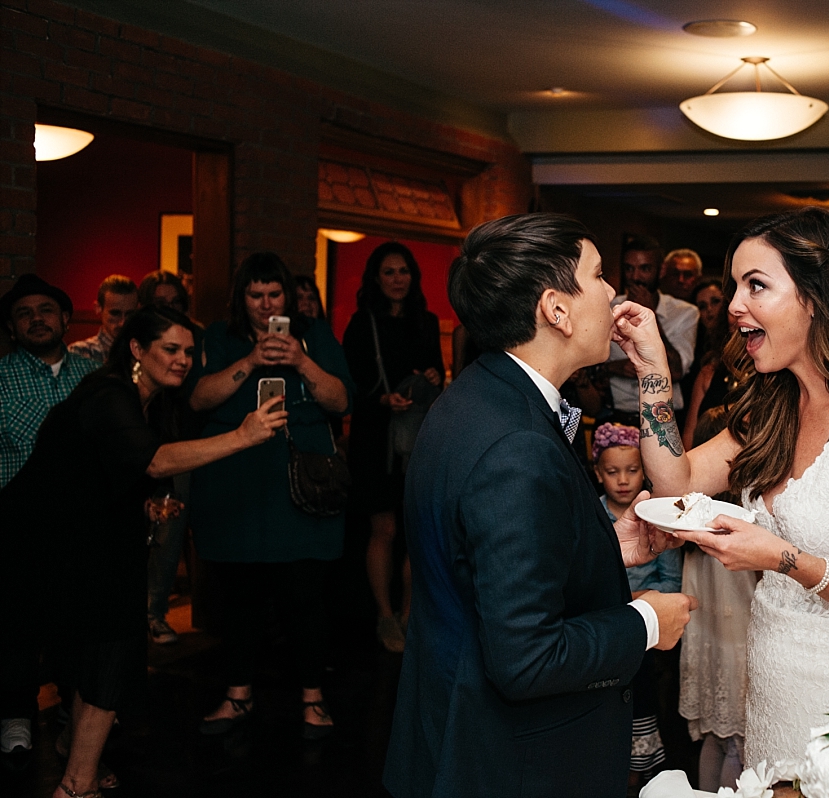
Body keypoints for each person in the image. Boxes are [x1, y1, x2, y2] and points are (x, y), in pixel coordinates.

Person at [613, 207, 829, 770]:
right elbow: (675, 480)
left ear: (815, 298)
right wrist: (654, 373)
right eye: (735, 286)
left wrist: (780, 558)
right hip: (772, 691)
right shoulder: (774, 409)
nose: (736, 305)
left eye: (757, 286)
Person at [383, 213, 696, 797]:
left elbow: (484, 562)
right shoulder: (517, 446)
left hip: (454, 732)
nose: (613, 293)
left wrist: (606, 548)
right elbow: (526, 657)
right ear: (556, 309)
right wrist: (648, 621)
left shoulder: (476, 394)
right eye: (600, 275)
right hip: (506, 762)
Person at [0, 305, 287, 798]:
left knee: (104, 652)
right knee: (105, 650)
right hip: (38, 542)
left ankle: (78, 764)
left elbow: (104, 467)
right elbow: (151, 461)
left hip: (84, 540)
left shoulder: (149, 400)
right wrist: (242, 436)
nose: (182, 360)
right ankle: (76, 784)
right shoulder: (109, 391)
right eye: (170, 349)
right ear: (136, 349)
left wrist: (147, 506)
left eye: (189, 351)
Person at [189, 252, 353, 739]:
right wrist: (251, 361)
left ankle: (313, 699)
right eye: (255, 295)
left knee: (303, 596)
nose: (265, 305)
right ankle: (237, 695)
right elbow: (199, 399)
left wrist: (301, 359)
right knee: (239, 597)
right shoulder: (221, 337)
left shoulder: (316, 335)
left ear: (288, 296)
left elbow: (341, 400)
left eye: (273, 294)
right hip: (236, 485)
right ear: (242, 298)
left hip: (299, 489)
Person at [0, 274, 98, 771]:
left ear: (65, 319)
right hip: (17, 520)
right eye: (24, 313)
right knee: (17, 622)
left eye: (46, 310)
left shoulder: (97, 373)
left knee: (76, 624)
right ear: (13, 329)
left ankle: (71, 716)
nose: (36, 318)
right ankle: (14, 713)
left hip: (85, 522)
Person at [341, 242, 443, 653]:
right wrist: (382, 400)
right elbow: (350, 384)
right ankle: (384, 614)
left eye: (403, 271)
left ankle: (408, 613)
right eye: (389, 272)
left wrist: (434, 376)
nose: (397, 279)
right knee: (383, 527)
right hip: (376, 437)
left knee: (417, 530)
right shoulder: (362, 323)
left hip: (418, 435)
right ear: (376, 278)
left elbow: (437, 381)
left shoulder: (428, 321)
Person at [592, 422, 683, 786]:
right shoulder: (593, 516)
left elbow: (670, 579)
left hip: (644, 627)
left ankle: (639, 764)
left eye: (632, 471)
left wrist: (643, 604)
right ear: (598, 474)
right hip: (603, 624)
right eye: (613, 472)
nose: (623, 480)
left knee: (639, 696)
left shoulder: (654, 518)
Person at [679, 406, 756, 792]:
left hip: (708, 645)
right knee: (739, 748)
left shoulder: (692, 522)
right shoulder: (744, 524)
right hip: (740, 647)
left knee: (714, 737)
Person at [138, 271, 202, 646]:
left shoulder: (192, 343)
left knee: (170, 535)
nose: (169, 309)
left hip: (184, 448)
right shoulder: (142, 349)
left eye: (175, 303)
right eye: (160, 303)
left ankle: (154, 613)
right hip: (142, 452)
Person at [606, 234, 698, 426]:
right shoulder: (608, 308)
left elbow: (677, 371)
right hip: (617, 416)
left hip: (665, 418)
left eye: (645, 269)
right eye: (629, 269)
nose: (635, 277)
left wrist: (651, 318)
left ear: (661, 270)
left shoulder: (685, 313)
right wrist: (613, 368)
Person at [682, 277, 735, 449]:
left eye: (716, 302)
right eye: (702, 306)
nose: (710, 311)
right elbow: (690, 432)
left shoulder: (767, 364)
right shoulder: (707, 365)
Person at [68, 274, 139, 365]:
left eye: (129, 314)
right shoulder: (80, 352)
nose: (123, 322)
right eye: (115, 313)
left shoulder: (143, 351)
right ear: (98, 308)